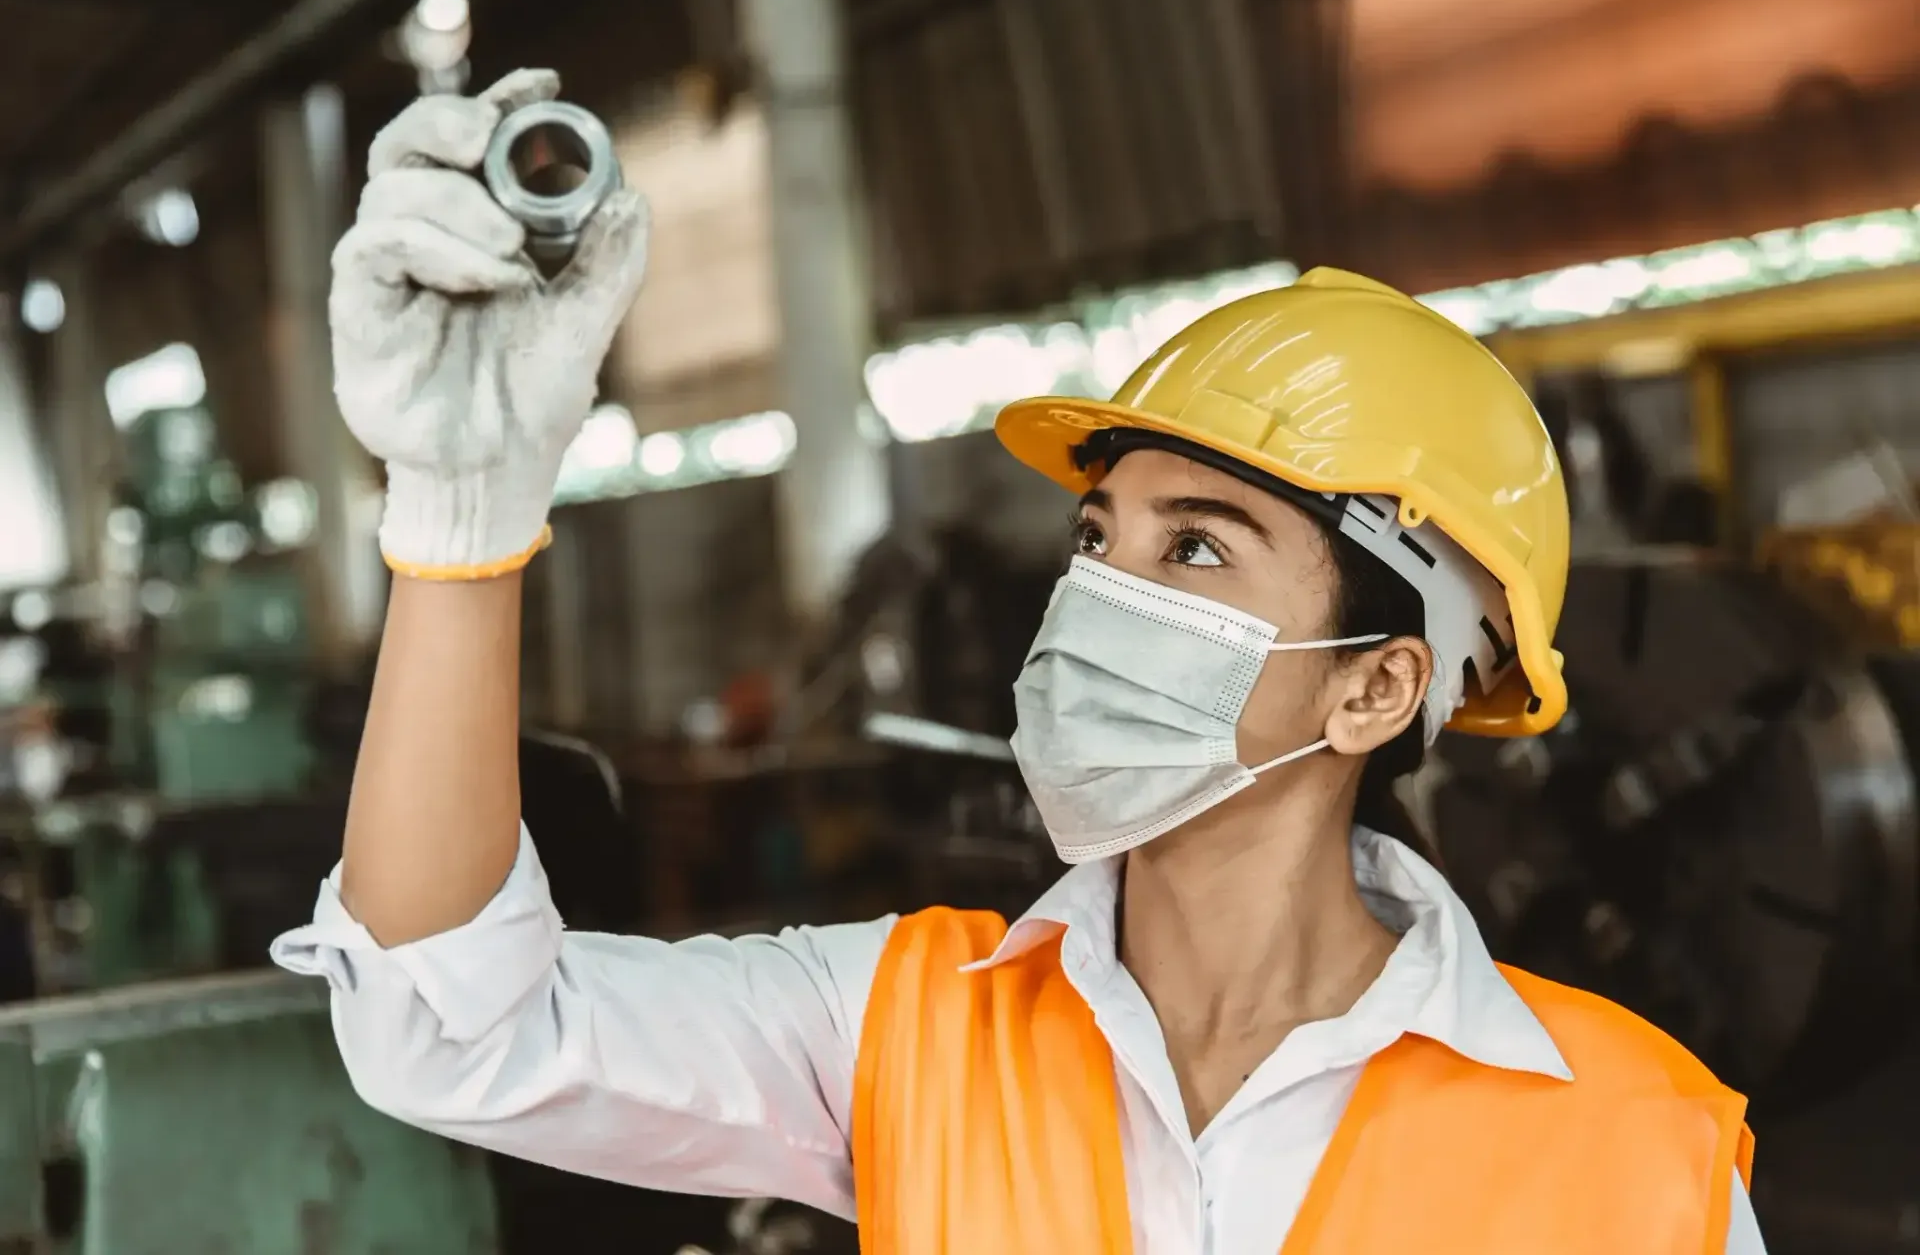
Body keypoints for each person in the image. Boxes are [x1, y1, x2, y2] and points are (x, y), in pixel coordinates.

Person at [272, 70, 1768, 1254]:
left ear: (1375, 685)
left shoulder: (1636, 1149)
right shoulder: (906, 1031)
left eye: (1197, 548)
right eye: (1096, 538)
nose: (1104, 595)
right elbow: (443, 1028)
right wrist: (460, 518)